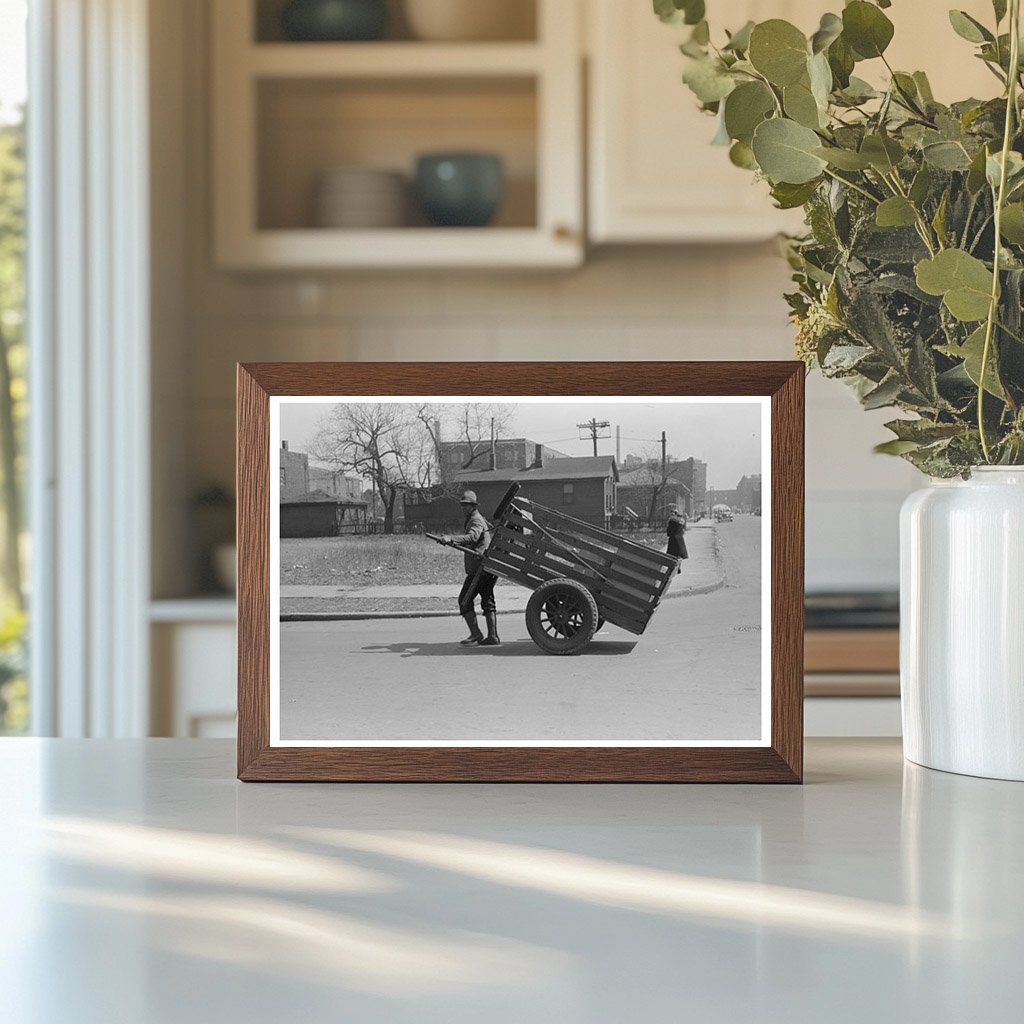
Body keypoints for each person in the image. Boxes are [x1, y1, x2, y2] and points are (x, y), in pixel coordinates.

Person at [443, 491, 500, 647]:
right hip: (485, 567)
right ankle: (492, 636)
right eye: (462, 505)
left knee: (464, 601)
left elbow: (472, 537)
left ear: (473, 506)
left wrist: (451, 538)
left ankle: (476, 634)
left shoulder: (475, 520)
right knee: (488, 600)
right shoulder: (478, 518)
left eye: (466, 505)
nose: (463, 508)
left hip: (479, 569)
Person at [666, 504, 688, 571]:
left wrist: (669, 533)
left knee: (672, 554)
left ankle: (673, 568)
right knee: (679, 555)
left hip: (673, 539)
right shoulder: (681, 521)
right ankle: (678, 567)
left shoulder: (671, 521)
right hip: (680, 539)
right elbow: (683, 530)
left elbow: (669, 532)